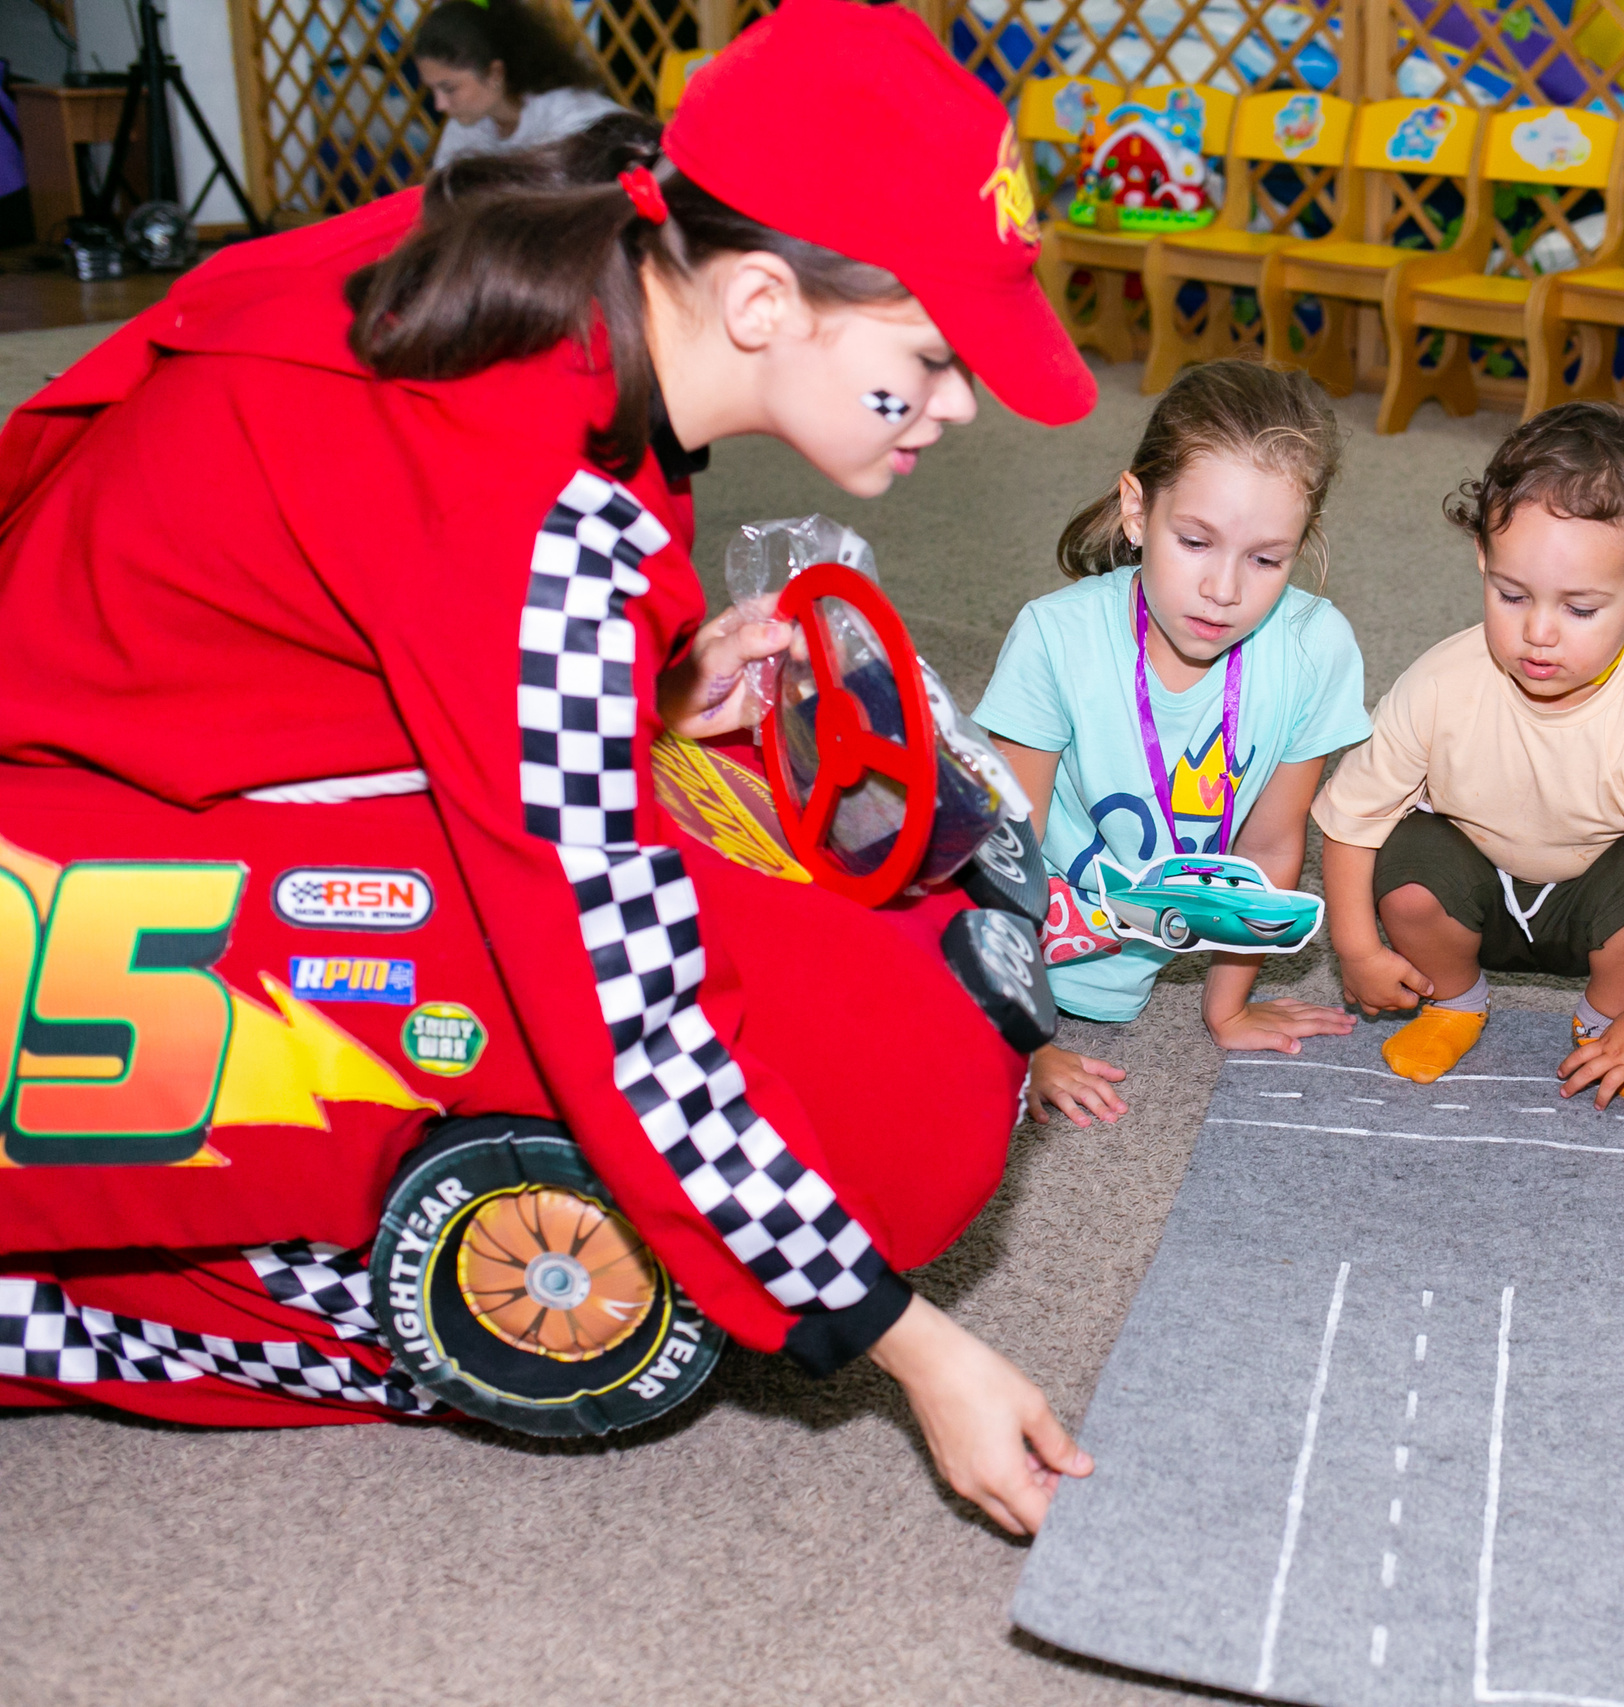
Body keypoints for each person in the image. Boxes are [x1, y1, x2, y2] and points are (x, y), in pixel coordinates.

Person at [0, 1, 1098, 1536]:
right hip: (87, 799)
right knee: (607, 1021)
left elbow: (408, 560)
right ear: (764, 301)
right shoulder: (543, 526)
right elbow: (631, 1020)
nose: (961, 405)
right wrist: (911, 1344)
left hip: (165, 697)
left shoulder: (586, 269)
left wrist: (655, 679)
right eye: (929, 358)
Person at [1312, 403, 1624, 1112]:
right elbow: (1352, 819)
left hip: (1596, 908)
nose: (1538, 632)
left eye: (1580, 609)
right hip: (1472, 894)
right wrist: (1357, 949)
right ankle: (1455, 1003)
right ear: (1483, 558)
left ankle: (1610, 1025)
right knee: (1405, 867)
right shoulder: (1439, 684)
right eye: (1511, 594)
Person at [973, 360, 1370, 1127]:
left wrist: (1229, 1008)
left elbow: (1270, 842)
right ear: (1136, 510)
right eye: (1194, 541)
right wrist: (1020, 1041)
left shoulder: (1316, 647)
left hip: (1167, 913)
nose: (1224, 589)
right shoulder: (1055, 637)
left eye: (1266, 558)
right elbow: (1003, 853)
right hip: (1035, 928)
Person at [416, 0, 624, 169]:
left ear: (495, 74)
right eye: (432, 90)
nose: (439, 104)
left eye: (449, 89)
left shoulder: (574, 120)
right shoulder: (466, 128)